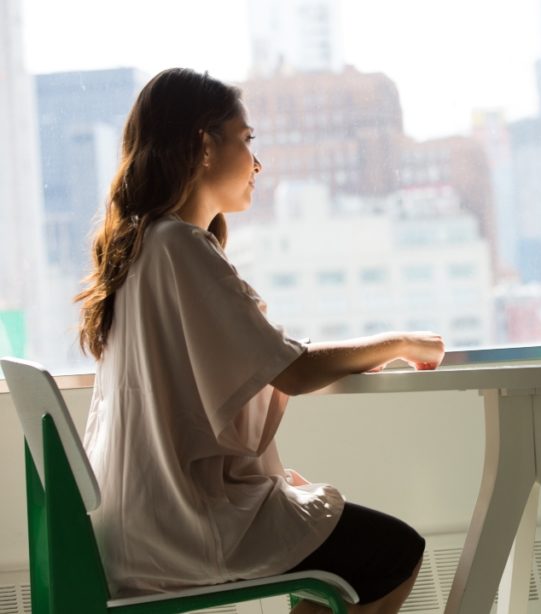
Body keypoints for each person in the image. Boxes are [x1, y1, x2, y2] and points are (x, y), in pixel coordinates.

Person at [77, 68, 445, 614]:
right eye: (247, 140)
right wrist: (402, 342)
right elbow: (290, 370)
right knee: (393, 553)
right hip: (181, 526)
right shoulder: (179, 246)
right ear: (205, 146)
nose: (258, 162)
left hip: (135, 524)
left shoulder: (140, 248)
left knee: (338, 561)